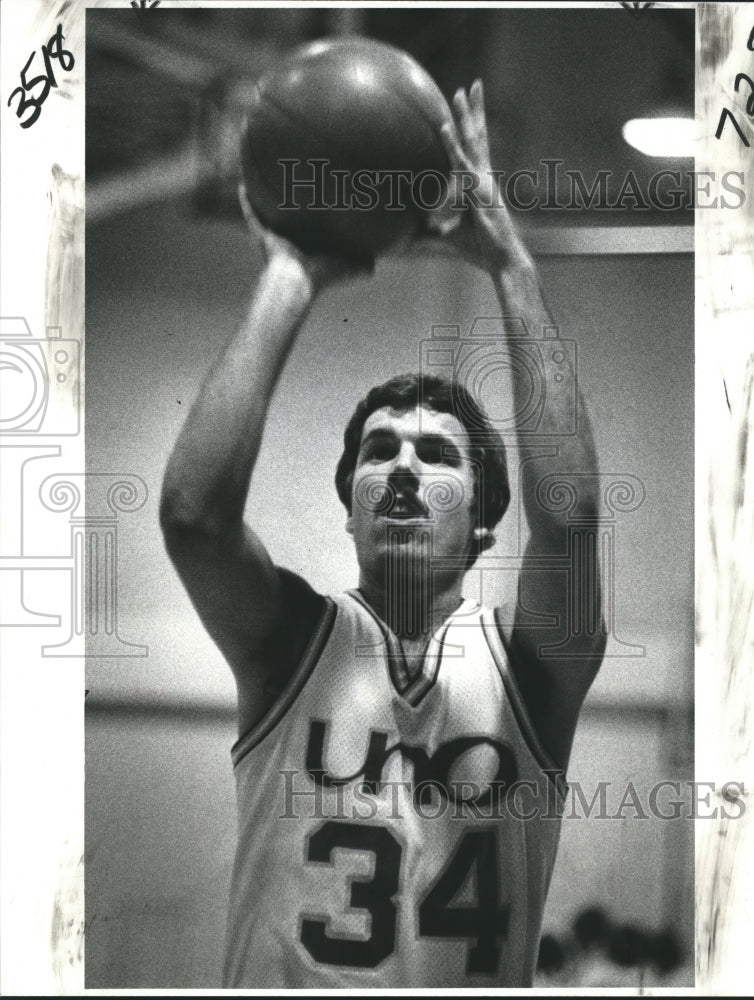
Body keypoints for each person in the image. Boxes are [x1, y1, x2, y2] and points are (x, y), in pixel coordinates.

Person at [160, 80, 606, 988]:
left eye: (436, 455)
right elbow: (193, 519)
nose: (401, 467)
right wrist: (289, 272)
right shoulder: (290, 643)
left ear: (485, 520)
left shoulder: (531, 665)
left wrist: (511, 266)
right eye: (378, 452)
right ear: (351, 501)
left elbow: (567, 514)